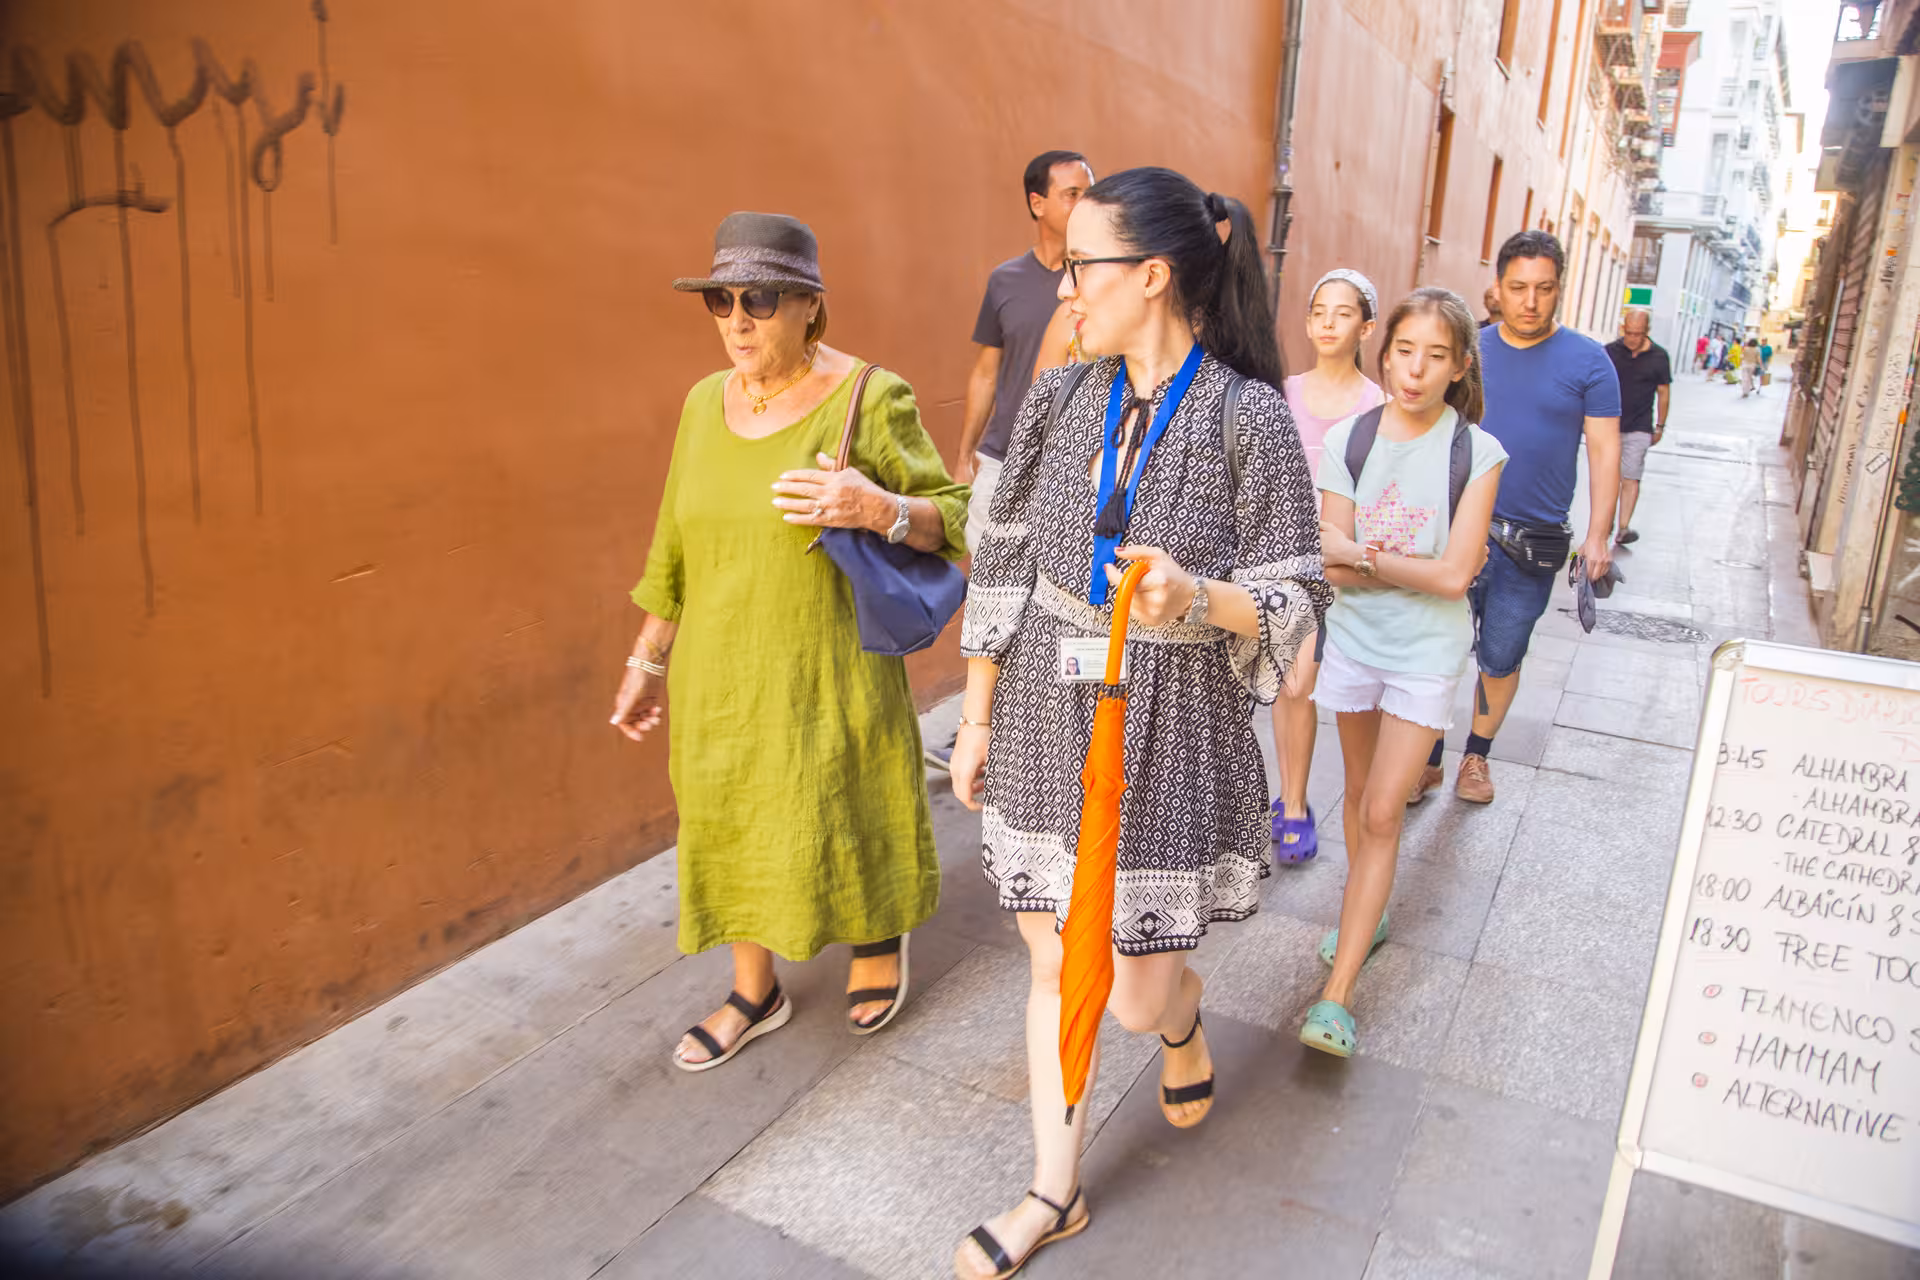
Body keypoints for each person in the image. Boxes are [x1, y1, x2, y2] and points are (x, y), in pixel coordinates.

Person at [949, 168, 1328, 1277]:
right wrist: (973, 714)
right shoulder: (1066, 395)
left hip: (1170, 718)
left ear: (1150, 275)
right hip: (1041, 707)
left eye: (1082, 266)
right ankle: (1049, 1191)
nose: (1067, 288)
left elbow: (1297, 592)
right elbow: (1007, 553)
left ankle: (1180, 1012)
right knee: (1048, 960)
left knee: (1132, 994)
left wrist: (1194, 597)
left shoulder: (1249, 414)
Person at [613, 212, 969, 1071]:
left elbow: (954, 518)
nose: (736, 319)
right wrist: (646, 659)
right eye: (720, 301)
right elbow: (675, 541)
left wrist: (877, 506)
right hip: (719, 674)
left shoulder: (869, 398)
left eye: (759, 300)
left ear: (811, 307)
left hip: (829, 665)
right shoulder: (704, 402)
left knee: (848, 794)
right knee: (730, 813)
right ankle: (753, 989)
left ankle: (876, 935)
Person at [1303, 287, 1505, 1057]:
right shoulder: (1349, 439)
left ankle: (1337, 995)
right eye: (1404, 351)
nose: (1415, 370)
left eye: (1436, 356)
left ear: (1458, 368)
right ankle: (1368, 906)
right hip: (1354, 640)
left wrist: (1366, 558)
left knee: (1385, 809)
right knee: (1357, 798)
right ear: (1383, 353)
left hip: (1426, 653)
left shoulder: (1474, 452)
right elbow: (1327, 563)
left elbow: (1456, 579)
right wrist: (1395, 566)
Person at [1418, 230, 1619, 806]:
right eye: (1518, 288)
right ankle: (1428, 759)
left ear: (1560, 289)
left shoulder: (1589, 362)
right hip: (1455, 532)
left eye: (1544, 289)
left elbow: (1604, 451)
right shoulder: (1468, 352)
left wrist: (1598, 534)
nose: (1530, 302)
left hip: (1531, 543)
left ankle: (1475, 758)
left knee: (1501, 655)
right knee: (1438, 649)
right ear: (1497, 288)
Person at [1269, 268, 1384, 865]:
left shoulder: (1378, 406)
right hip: (1281, 557)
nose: (1328, 323)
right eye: (1319, 312)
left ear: (1365, 326)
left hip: (1342, 566)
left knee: (1310, 685)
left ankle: (1298, 802)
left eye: (1343, 314)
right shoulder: (1281, 392)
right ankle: (1291, 803)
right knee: (1294, 687)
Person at [954, 150, 1097, 550]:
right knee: (988, 580)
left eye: (1091, 193)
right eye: (1073, 193)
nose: (1086, 203)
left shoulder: (1101, 278)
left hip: (1072, 463)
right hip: (1002, 457)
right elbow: (986, 372)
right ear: (1038, 203)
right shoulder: (1005, 280)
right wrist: (964, 458)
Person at [1605, 310, 1671, 546]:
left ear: (1647, 332)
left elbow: (1663, 392)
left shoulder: (1659, 357)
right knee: (1609, 477)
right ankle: (1605, 523)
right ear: (1623, 328)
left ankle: (1623, 527)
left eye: (1638, 334)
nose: (1632, 338)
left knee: (1631, 476)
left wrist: (1660, 425)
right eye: (1628, 333)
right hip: (1609, 425)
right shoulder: (1610, 351)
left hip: (1640, 427)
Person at [1741, 333, 1762, 397]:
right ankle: (1747, 392)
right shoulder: (1757, 349)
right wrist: (1761, 365)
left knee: (1744, 378)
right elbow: (1758, 359)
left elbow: (1742, 356)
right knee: (1749, 378)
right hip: (1752, 365)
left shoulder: (1745, 348)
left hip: (1745, 364)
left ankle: (1744, 391)